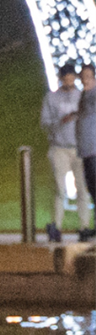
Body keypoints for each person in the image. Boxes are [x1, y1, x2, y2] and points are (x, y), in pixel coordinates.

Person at [41, 64, 89, 241]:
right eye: (65, 77)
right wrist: (60, 121)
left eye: (71, 77)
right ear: (61, 78)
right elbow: (44, 122)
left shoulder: (82, 96)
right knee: (60, 189)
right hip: (59, 147)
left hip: (79, 147)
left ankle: (84, 226)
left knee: (82, 189)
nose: (68, 80)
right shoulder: (52, 98)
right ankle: (57, 226)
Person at [76, 64, 96, 242]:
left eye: (88, 76)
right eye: (83, 76)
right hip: (86, 150)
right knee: (92, 189)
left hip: (94, 149)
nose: (85, 79)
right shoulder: (84, 95)